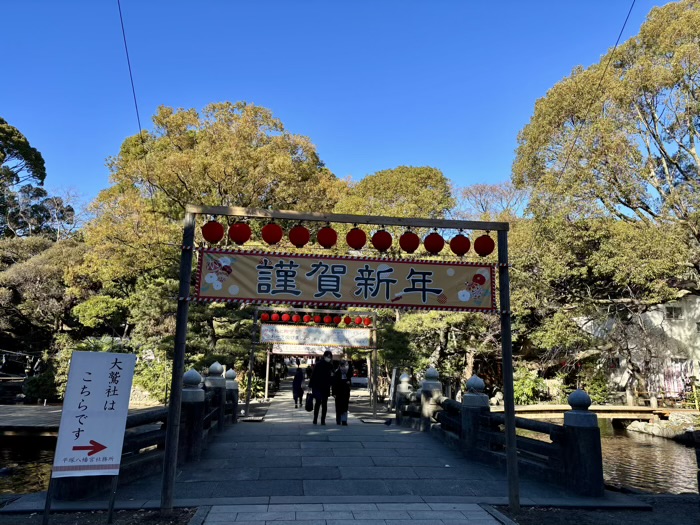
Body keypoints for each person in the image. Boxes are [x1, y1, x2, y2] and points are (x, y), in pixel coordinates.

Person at [308, 350, 334, 425]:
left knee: (323, 403)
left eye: (330, 357)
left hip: (323, 386)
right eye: (328, 356)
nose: (329, 358)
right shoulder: (320, 364)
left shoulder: (329, 365)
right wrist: (310, 385)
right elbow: (313, 375)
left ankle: (321, 419)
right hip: (319, 386)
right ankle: (317, 419)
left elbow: (332, 376)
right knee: (319, 403)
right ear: (325, 356)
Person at [332, 359, 353, 425]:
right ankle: (338, 420)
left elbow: (350, 382)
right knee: (338, 406)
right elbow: (334, 384)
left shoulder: (347, 373)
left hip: (346, 392)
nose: (345, 367)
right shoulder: (337, 373)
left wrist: (348, 383)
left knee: (345, 407)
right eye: (343, 366)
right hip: (338, 392)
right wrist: (334, 393)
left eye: (346, 366)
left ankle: (344, 420)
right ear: (340, 366)